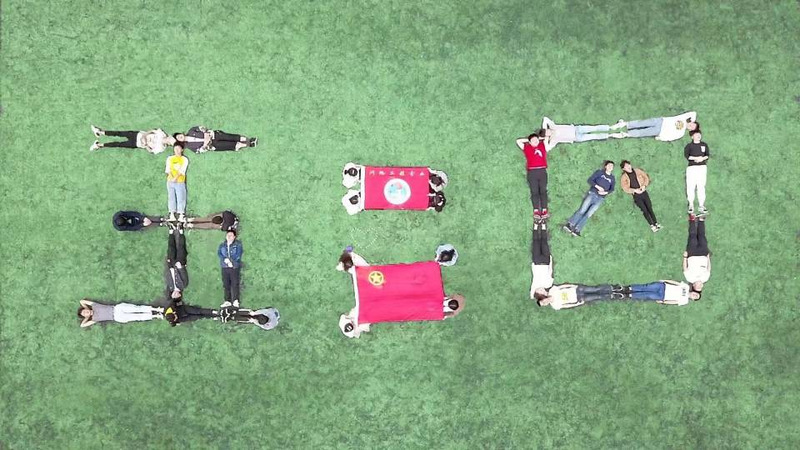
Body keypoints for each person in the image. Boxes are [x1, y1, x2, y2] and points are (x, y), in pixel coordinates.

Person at [564, 161, 615, 236]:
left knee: (588, 214)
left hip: (600, 198)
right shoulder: (600, 172)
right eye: (609, 165)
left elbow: (612, 189)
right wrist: (598, 187)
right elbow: (590, 180)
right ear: (605, 166)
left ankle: (577, 229)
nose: (610, 167)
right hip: (593, 194)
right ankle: (570, 224)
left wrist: (605, 192)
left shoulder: (612, 178)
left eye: (612, 166)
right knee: (582, 210)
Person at [515, 131, 550, 221]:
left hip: (542, 171)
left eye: (536, 140)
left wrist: (540, 138)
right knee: (534, 191)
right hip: (532, 172)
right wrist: (529, 140)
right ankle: (536, 210)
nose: (535, 142)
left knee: (543, 191)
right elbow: (518, 141)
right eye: (533, 141)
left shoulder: (542, 146)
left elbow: (547, 138)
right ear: (530, 142)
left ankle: (544, 210)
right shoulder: (527, 148)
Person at [619, 160, 661, 232]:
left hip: (644, 192)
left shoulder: (637, 171)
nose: (628, 167)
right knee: (644, 210)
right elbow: (625, 188)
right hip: (636, 195)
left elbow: (646, 177)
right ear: (623, 169)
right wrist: (634, 190)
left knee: (649, 207)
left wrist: (644, 186)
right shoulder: (624, 177)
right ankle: (652, 225)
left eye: (628, 165)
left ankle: (656, 223)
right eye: (626, 166)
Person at [541, 117, 625, 150]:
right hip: (577, 138)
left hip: (577, 129)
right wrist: (546, 139)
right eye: (546, 134)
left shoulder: (553, 126)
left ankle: (612, 127)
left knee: (594, 128)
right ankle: (612, 135)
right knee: (594, 136)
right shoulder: (553, 139)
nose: (548, 132)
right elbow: (547, 148)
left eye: (546, 131)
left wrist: (544, 128)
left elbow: (545, 119)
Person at [613, 111, 698, 141]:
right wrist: (693, 120)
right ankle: (626, 124)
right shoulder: (683, 118)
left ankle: (626, 134)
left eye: (692, 127)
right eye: (692, 124)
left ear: (690, 130)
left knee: (643, 132)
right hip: (661, 121)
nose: (690, 125)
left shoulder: (681, 133)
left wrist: (661, 138)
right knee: (642, 123)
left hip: (660, 131)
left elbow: (671, 137)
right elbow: (693, 113)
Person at [77, 299, 163, 328]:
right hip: (118, 318)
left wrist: (86, 308)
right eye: (85, 314)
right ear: (86, 316)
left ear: (86, 308)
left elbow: (82, 301)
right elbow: (82, 325)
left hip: (117, 308)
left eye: (84, 311)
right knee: (137, 317)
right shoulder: (94, 319)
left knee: (136, 308)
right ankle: (155, 315)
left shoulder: (94, 305)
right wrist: (87, 317)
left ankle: (156, 309)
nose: (86, 312)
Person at [90, 126, 174, 153]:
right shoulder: (162, 133)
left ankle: (99, 145)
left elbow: (151, 151)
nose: (168, 140)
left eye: (170, 142)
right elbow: (152, 130)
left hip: (136, 144)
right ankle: (99, 132)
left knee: (118, 144)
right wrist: (145, 135)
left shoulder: (161, 148)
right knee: (119, 133)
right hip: (137, 134)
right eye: (170, 138)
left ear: (169, 144)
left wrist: (145, 145)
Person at [535, 284, 624, 310]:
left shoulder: (552, 291)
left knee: (595, 289)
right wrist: (577, 304)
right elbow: (567, 305)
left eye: (543, 302)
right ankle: (613, 295)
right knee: (597, 297)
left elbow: (563, 286)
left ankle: (612, 288)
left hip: (578, 290)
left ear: (543, 298)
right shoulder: (555, 306)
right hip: (579, 299)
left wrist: (573, 286)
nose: (545, 303)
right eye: (544, 304)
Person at [684, 130, 710, 216]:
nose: (698, 136)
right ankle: (691, 204)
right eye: (696, 135)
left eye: (699, 134)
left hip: (702, 167)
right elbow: (687, 156)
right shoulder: (689, 146)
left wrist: (702, 159)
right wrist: (696, 158)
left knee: (701, 186)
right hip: (692, 168)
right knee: (690, 186)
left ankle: (701, 205)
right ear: (692, 137)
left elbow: (707, 155)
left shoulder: (704, 145)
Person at [174, 126, 257, 153]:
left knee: (230, 137)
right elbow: (199, 151)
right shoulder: (190, 146)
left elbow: (201, 127)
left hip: (214, 135)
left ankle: (249, 139)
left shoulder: (191, 131)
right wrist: (205, 144)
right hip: (212, 145)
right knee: (231, 145)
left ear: (181, 133)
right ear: (180, 141)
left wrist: (205, 133)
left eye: (179, 135)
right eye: (178, 138)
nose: (180, 137)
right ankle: (249, 144)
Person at [683, 215, 711, 292]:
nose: (700, 286)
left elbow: (685, 268)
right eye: (701, 287)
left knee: (692, 236)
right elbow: (708, 268)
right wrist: (708, 257)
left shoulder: (690, 278)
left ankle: (692, 220)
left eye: (698, 287)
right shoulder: (705, 278)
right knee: (702, 236)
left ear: (694, 286)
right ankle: (701, 220)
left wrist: (685, 257)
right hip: (703, 254)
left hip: (692, 254)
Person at [218, 230, 243, 308]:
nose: (229, 237)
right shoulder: (222, 245)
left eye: (231, 235)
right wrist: (225, 260)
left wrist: (231, 261)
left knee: (234, 284)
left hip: (234, 267)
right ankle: (227, 300)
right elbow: (219, 253)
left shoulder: (237, 245)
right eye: (228, 235)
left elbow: (238, 255)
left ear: (234, 237)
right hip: (225, 267)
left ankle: (235, 300)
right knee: (226, 284)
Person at [625, 280, 701, 305]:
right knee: (646, 287)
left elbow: (674, 302)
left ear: (693, 299)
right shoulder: (686, 287)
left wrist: (663, 302)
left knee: (647, 295)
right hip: (663, 286)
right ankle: (629, 288)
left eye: (695, 297)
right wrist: (665, 280)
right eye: (696, 294)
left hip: (662, 296)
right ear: (694, 291)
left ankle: (629, 295)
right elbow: (675, 283)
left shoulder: (685, 301)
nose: (695, 295)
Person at [530, 222, 554, 299]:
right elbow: (550, 271)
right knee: (544, 242)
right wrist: (551, 261)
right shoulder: (548, 284)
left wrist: (540, 300)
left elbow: (531, 296)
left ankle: (536, 226)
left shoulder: (535, 284)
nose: (540, 290)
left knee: (536, 242)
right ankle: (543, 225)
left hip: (537, 261)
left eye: (538, 291)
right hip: (546, 261)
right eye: (542, 292)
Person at [165, 144, 189, 222]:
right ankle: (172, 214)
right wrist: (171, 177)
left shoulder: (184, 159)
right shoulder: (170, 158)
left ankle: (181, 214)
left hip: (180, 181)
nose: (177, 150)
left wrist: (175, 178)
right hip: (170, 181)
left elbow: (182, 170)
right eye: (175, 149)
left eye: (178, 149)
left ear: (182, 150)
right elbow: (168, 169)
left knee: (181, 197)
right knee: (171, 197)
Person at [165, 223, 188, 299]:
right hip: (180, 264)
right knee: (181, 248)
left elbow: (168, 276)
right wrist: (180, 267)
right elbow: (184, 275)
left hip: (171, 265)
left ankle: (171, 231)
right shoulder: (183, 285)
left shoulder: (171, 286)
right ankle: (181, 231)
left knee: (171, 248)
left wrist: (169, 266)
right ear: (179, 295)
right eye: (176, 296)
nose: (174, 294)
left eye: (173, 295)